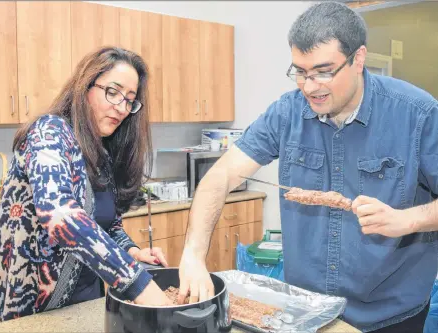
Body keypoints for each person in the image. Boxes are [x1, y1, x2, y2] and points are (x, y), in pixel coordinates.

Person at [177, 2, 438, 333]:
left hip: (389, 315)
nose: (310, 86)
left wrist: (406, 220)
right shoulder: (286, 113)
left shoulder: (419, 114)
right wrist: (194, 255)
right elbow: (221, 176)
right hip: (304, 311)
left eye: (324, 71)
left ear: (358, 59)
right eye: (300, 71)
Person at [0, 46, 172, 326]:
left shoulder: (101, 153)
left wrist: (132, 251)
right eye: (113, 92)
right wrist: (137, 282)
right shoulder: (49, 133)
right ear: (85, 86)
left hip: (86, 304)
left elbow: (109, 225)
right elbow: (60, 213)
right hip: (29, 314)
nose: (121, 108)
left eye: (130, 100)